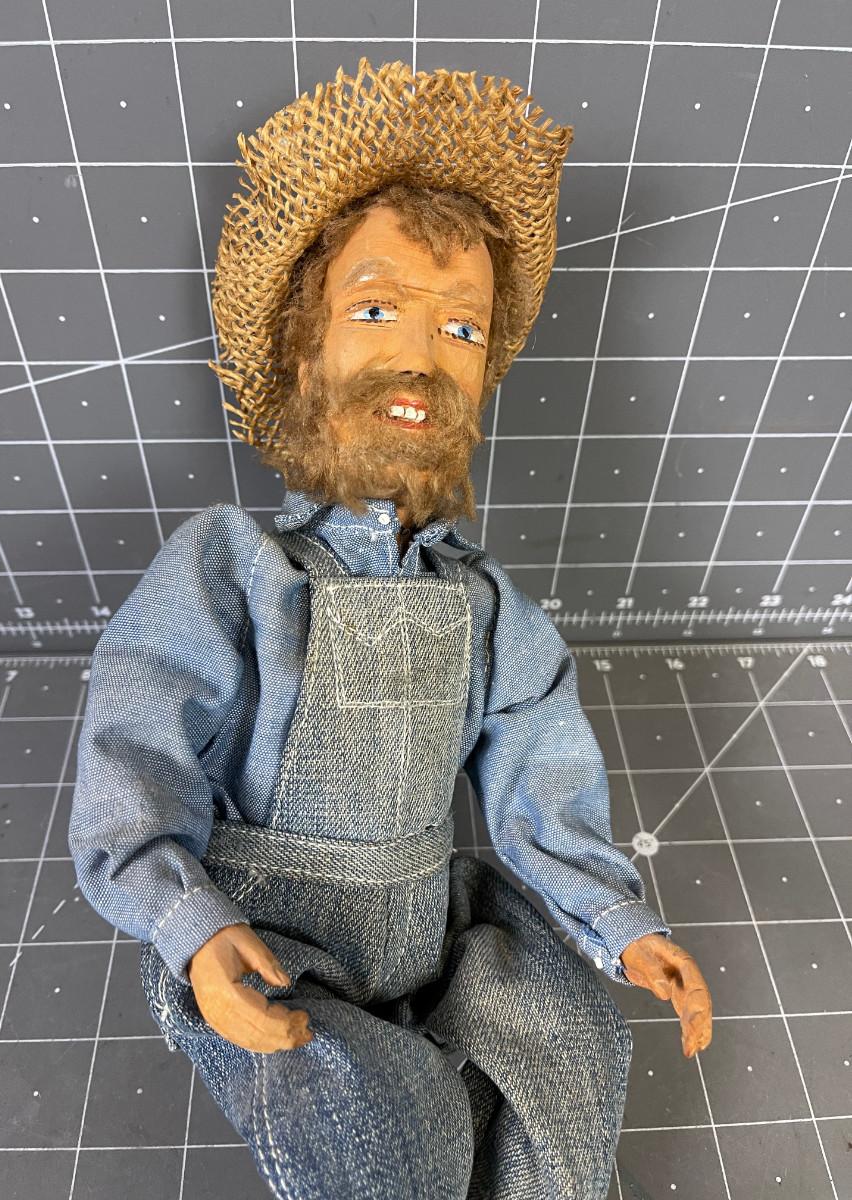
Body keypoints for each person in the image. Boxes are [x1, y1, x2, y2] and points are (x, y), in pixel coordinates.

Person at [69, 58, 712, 1199]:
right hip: (276, 944)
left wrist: (617, 920)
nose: (421, 355)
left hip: (431, 924)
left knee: (571, 1043)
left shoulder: (484, 603)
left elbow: (539, 767)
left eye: (462, 327)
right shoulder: (237, 567)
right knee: (384, 1120)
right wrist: (189, 924)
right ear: (304, 349)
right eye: (376, 310)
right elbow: (137, 746)